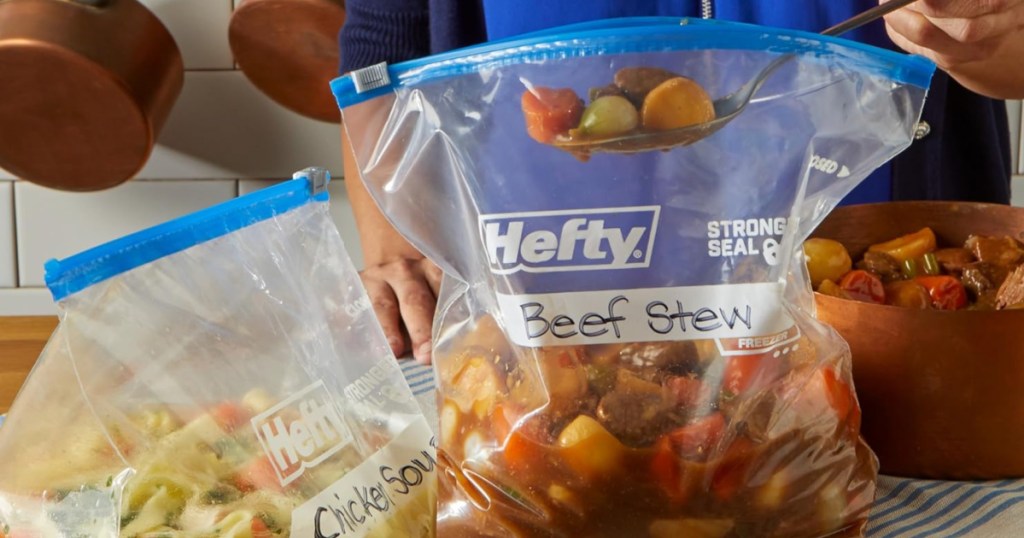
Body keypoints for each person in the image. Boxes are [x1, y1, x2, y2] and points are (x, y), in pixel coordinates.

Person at [339, 0, 1024, 364]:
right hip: (545, 336)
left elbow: (1007, 49)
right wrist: (394, 248)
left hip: (896, 351)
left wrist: (988, 29)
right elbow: (382, 54)